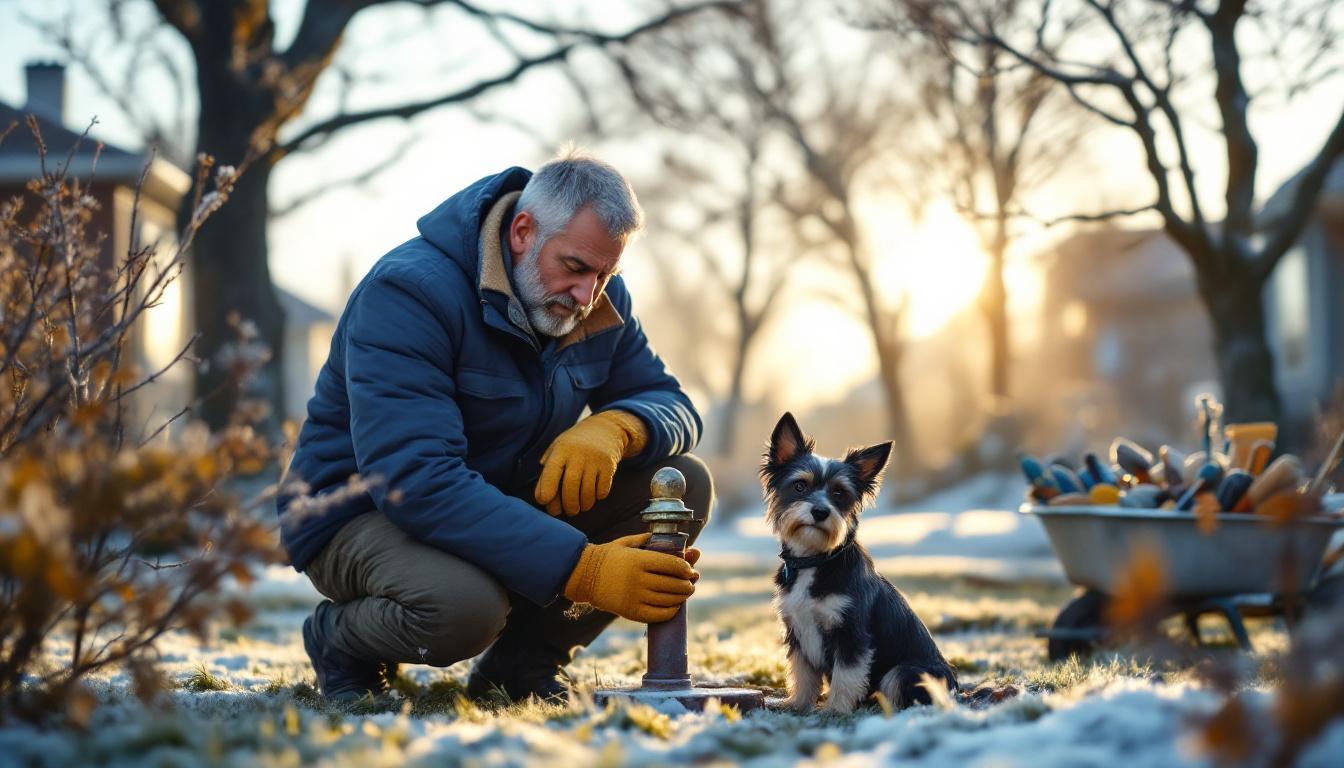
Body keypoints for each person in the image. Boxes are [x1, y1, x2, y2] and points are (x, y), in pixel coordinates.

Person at [277, 151, 711, 704]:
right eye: (577, 267)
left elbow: (671, 402)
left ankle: (520, 668)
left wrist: (616, 428)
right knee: (463, 609)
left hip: (491, 497)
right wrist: (588, 569)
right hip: (357, 511)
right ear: (524, 232)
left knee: (679, 483)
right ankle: (341, 642)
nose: (589, 295)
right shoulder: (408, 294)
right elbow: (416, 480)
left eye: (607, 274)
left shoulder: (594, 299)